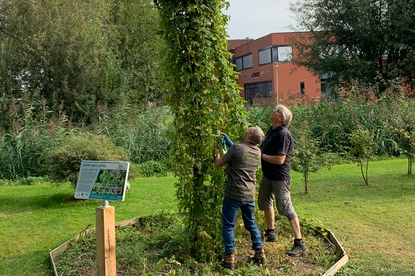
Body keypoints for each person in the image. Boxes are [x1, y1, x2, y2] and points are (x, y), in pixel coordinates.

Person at [259, 104, 307, 257]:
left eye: (276, 110)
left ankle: (299, 242)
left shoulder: (283, 134)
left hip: (280, 177)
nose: (273, 111)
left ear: (281, 117)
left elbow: (280, 159)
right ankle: (270, 232)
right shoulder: (272, 131)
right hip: (268, 175)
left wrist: (260, 156)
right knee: (265, 203)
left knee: (285, 208)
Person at [214, 126, 266, 269]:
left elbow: (219, 164)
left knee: (229, 225)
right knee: (251, 223)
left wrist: (217, 154)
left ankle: (230, 257)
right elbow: (239, 151)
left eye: (248, 130)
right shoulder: (257, 151)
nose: (246, 130)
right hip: (249, 195)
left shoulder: (237, 148)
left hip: (234, 194)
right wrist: (226, 138)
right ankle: (259, 252)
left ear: (249, 136)